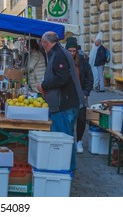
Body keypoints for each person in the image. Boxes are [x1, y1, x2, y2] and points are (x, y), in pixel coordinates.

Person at [37, 32, 84, 171]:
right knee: (67, 138)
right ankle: (66, 168)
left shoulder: (58, 55)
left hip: (64, 105)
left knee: (63, 140)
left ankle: (65, 170)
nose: (41, 46)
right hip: (64, 104)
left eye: (42, 43)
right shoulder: (58, 53)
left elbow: (62, 79)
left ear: (46, 43)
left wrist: (44, 85)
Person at [65, 38, 93, 154]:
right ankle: (69, 139)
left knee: (81, 118)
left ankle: (79, 140)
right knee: (69, 118)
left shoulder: (82, 62)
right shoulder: (63, 60)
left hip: (81, 95)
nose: (72, 53)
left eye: (74, 51)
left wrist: (86, 93)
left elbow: (89, 78)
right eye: (70, 51)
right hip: (67, 96)